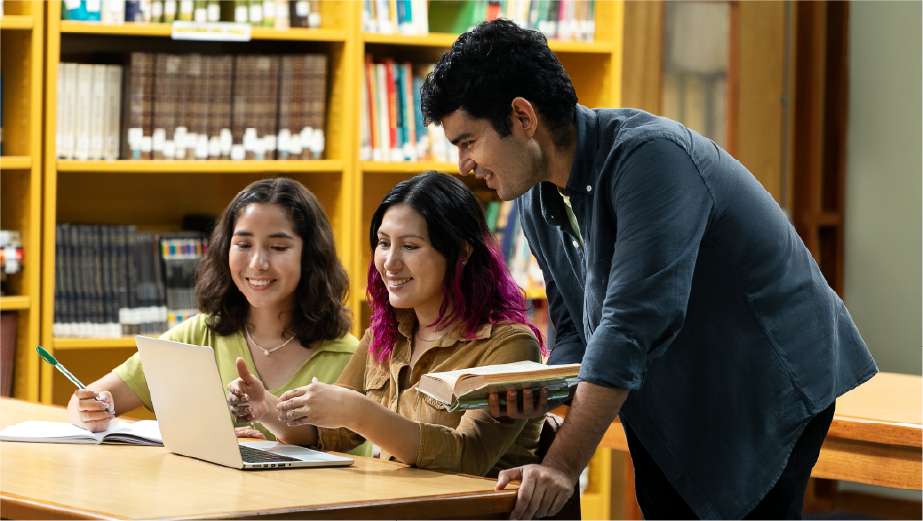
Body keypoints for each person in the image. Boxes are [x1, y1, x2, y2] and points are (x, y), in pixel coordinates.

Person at [419, 19, 878, 521]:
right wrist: (543, 389)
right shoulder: (535, 199)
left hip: (765, 380)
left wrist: (562, 465)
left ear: (523, 117)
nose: (463, 164)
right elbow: (574, 329)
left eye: (467, 142)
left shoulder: (650, 156)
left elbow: (631, 323)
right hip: (676, 385)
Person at [227, 171, 546, 477]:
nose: (390, 263)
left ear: (461, 251)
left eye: (409, 246)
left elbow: (468, 458)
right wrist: (267, 408)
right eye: (383, 243)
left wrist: (359, 412)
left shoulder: (510, 344)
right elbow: (330, 433)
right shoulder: (383, 334)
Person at [67, 178, 370, 456]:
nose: (257, 263)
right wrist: (89, 409)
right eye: (243, 244)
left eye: (278, 247)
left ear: (310, 255)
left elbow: (358, 470)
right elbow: (93, 398)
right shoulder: (197, 336)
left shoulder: (348, 357)